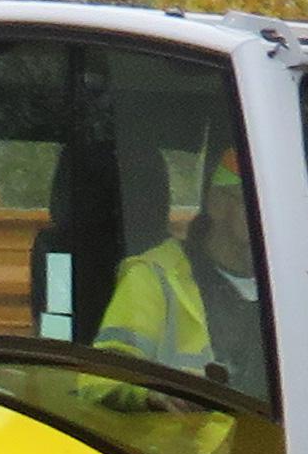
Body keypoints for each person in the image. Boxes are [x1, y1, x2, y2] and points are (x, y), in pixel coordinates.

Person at [97, 146, 268, 393]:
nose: (269, 219)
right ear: (217, 203)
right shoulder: (153, 276)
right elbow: (103, 380)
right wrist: (153, 394)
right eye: (255, 204)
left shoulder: (291, 287)